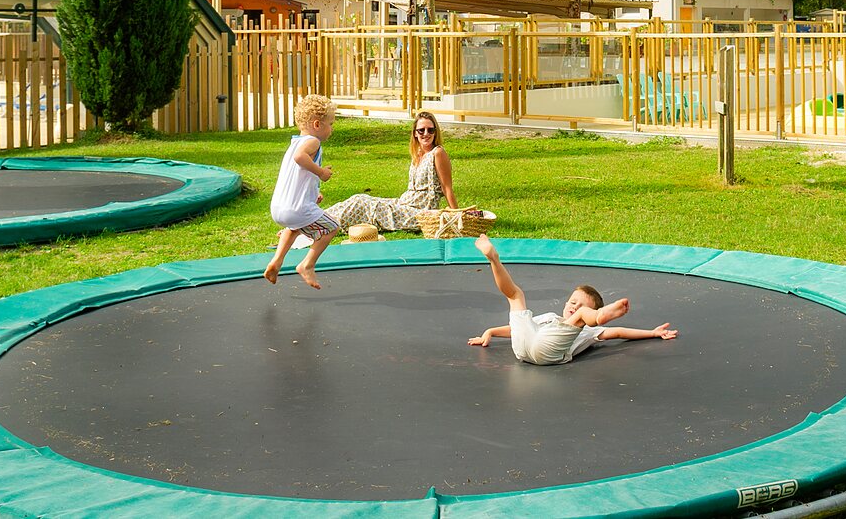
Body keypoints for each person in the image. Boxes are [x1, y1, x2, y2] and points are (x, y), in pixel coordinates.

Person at [468, 235, 678, 366]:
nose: (574, 306)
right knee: (515, 295)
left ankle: (600, 315)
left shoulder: (589, 330)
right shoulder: (551, 317)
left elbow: (620, 332)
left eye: (581, 305)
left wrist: (653, 333)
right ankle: (493, 259)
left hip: (546, 351)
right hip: (524, 347)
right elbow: (517, 328)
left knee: (519, 299)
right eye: (572, 301)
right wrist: (491, 332)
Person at [324, 111, 459, 234]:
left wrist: (457, 216)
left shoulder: (438, 153)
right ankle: (320, 218)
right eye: (421, 130)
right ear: (415, 133)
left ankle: (324, 225)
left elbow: (446, 187)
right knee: (359, 198)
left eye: (430, 130)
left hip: (420, 212)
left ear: (435, 132)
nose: (426, 134)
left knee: (364, 205)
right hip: (404, 203)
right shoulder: (418, 154)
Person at [264, 94, 339, 289]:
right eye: (330, 123)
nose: (331, 129)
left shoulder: (294, 143)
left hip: (279, 208)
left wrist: (313, 195)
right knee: (332, 227)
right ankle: (307, 265)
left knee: (294, 227)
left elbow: (298, 177)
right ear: (317, 124)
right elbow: (300, 158)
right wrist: (321, 172)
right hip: (296, 209)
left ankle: (277, 261)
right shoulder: (312, 142)